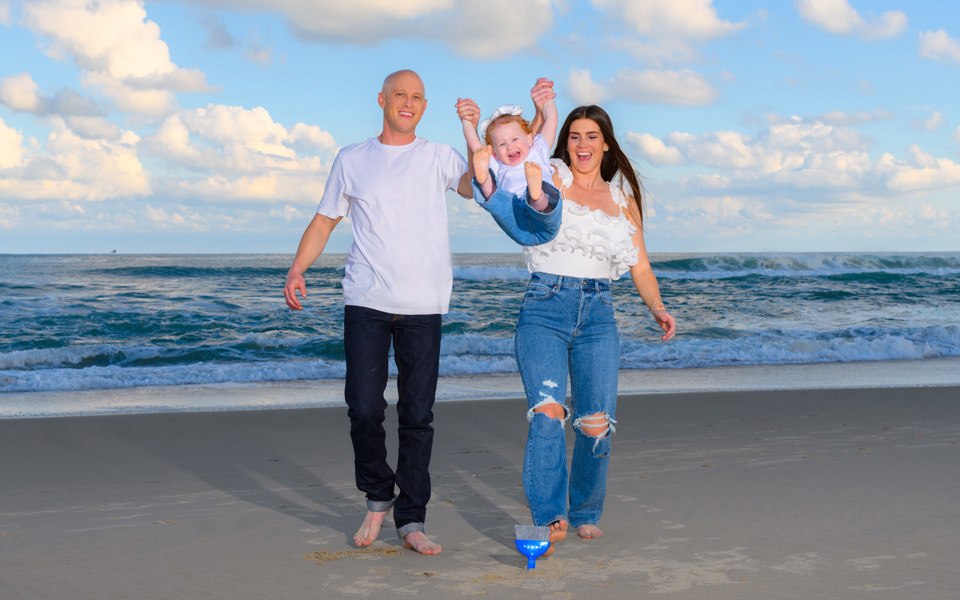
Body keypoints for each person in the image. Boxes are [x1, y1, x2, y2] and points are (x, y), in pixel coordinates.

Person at [283, 70, 472, 556]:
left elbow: (479, 187)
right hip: (366, 300)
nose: (407, 103)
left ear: (424, 106)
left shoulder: (440, 157)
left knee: (417, 415)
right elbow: (326, 219)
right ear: (383, 100)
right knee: (364, 406)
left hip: (423, 304)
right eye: (399, 96)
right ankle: (377, 494)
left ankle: (411, 518)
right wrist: (297, 269)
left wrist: (479, 135)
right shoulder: (352, 159)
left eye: (416, 97)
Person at [513, 105, 676, 554]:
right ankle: (550, 518)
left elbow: (640, 266)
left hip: (599, 314)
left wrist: (657, 307)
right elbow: (520, 146)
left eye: (592, 136)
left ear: (606, 143)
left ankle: (585, 512)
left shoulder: (624, 201)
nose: (582, 145)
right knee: (548, 414)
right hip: (544, 307)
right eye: (575, 137)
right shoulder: (553, 176)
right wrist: (541, 111)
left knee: (595, 425)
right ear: (565, 142)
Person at [455, 79, 562, 246]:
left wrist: (547, 98)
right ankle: (484, 180)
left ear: (529, 139)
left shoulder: (537, 149)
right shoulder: (497, 161)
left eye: (514, 139)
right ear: (495, 152)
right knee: (498, 200)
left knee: (542, 204)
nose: (510, 146)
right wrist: (467, 121)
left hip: (539, 218)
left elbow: (551, 121)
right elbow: (475, 145)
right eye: (502, 144)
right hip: (513, 212)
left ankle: (533, 193)